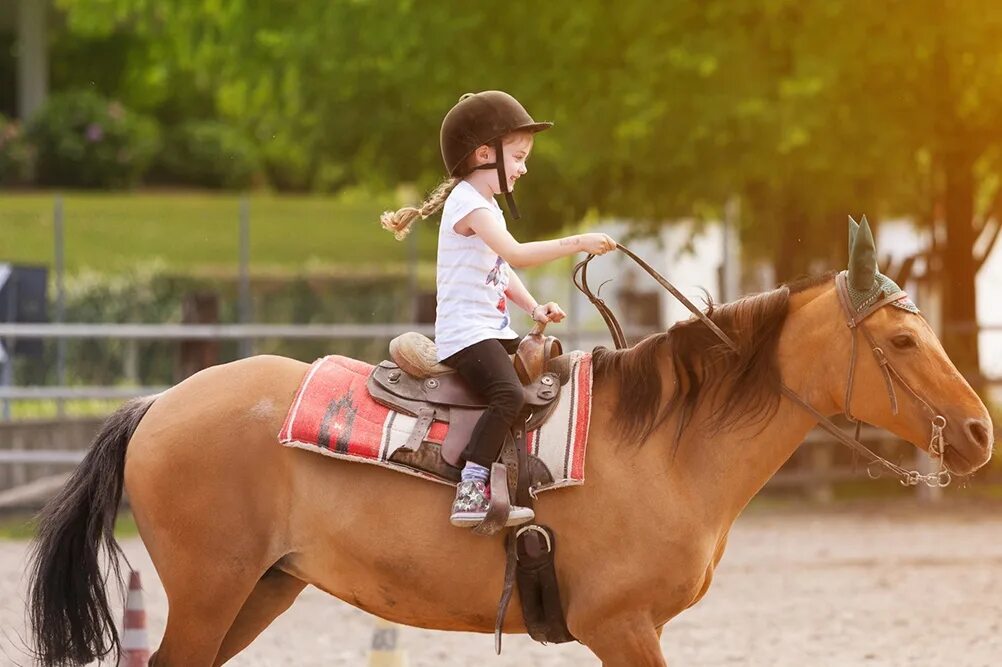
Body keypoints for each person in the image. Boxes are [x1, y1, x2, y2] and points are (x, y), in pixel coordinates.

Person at [381, 90, 616, 528]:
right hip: (466, 334)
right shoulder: (468, 203)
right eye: (519, 157)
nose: (524, 167)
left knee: (543, 378)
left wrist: (533, 307)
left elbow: (500, 268)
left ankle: (516, 477)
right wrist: (579, 242)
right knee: (507, 393)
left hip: (489, 327)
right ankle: (470, 487)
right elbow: (517, 254)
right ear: (485, 154)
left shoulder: (484, 205)